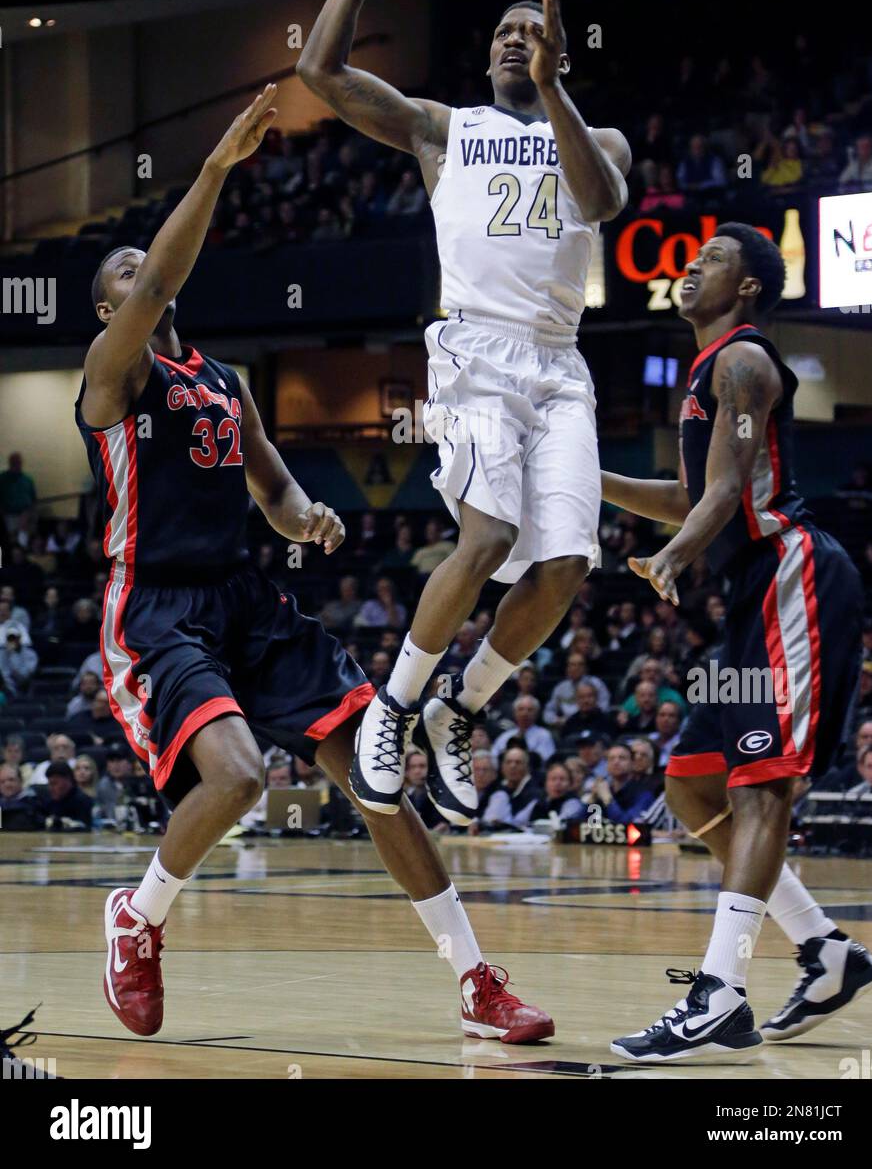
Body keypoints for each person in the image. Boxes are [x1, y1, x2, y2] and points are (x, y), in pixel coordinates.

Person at [77, 88, 552, 1045]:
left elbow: (277, 493)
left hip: (248, 604)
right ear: (107, 307)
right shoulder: (112, 374)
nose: (145, 278)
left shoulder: (224, 383)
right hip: (158, 613)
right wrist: (216, 165)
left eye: (145, 267)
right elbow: (166, 275)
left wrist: (313, 519)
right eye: (127, 272)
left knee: (377, 783)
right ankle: (140, 918)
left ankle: (475, 982)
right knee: (241, 778)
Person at [296, 0, 630, 827]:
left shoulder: (595, 139)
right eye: (504, 34)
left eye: (534, 33)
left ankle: (459, 705)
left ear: (558, 53)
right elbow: (318, 74)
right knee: (484, 540)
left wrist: (558, 88)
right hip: (476, 351)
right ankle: (394, 708)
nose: (517, 43)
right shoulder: (445, 129)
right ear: (486, 58)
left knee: (564, 565)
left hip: (559, 364)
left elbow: (599, 203)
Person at [601, 222, 872, 1061]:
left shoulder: (745, 362)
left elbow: (721, 495)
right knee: (692, 785)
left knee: (763, 788)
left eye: (712, 261)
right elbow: (692, 489)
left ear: (751, 286)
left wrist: (674, 556)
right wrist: (591, 478)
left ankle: (719, 993)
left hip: (790, 578)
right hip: (748, 598)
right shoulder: (707, 373)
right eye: (690, 261)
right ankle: (826, 950)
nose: (691, 269)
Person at [491, 695, 555, 764]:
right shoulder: (505, 736)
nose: (525, 713)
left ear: (536, 713)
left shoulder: (544, 735)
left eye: (530, 710)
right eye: (521, 709)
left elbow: (547, 759)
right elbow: (493, 758)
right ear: (514, 713)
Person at [37, 761, 93, 830]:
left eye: (54, 783)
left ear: (68, 781)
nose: (50, 788)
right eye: (49, 784)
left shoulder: (84, 803)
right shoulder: (48, 800)